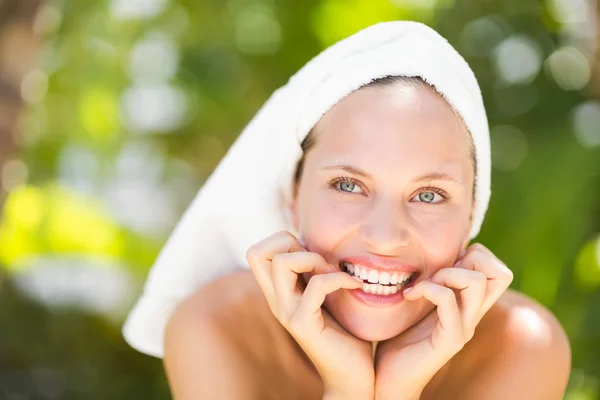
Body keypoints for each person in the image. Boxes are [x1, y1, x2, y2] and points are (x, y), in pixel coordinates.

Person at [122, 21, 571, 399]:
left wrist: (395, 390)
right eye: (348, 185)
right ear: (292, 196)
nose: (385, 235)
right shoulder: (217, 330)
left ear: (472, 214)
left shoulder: (522, 344)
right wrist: (348, 389)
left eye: (429, 195)